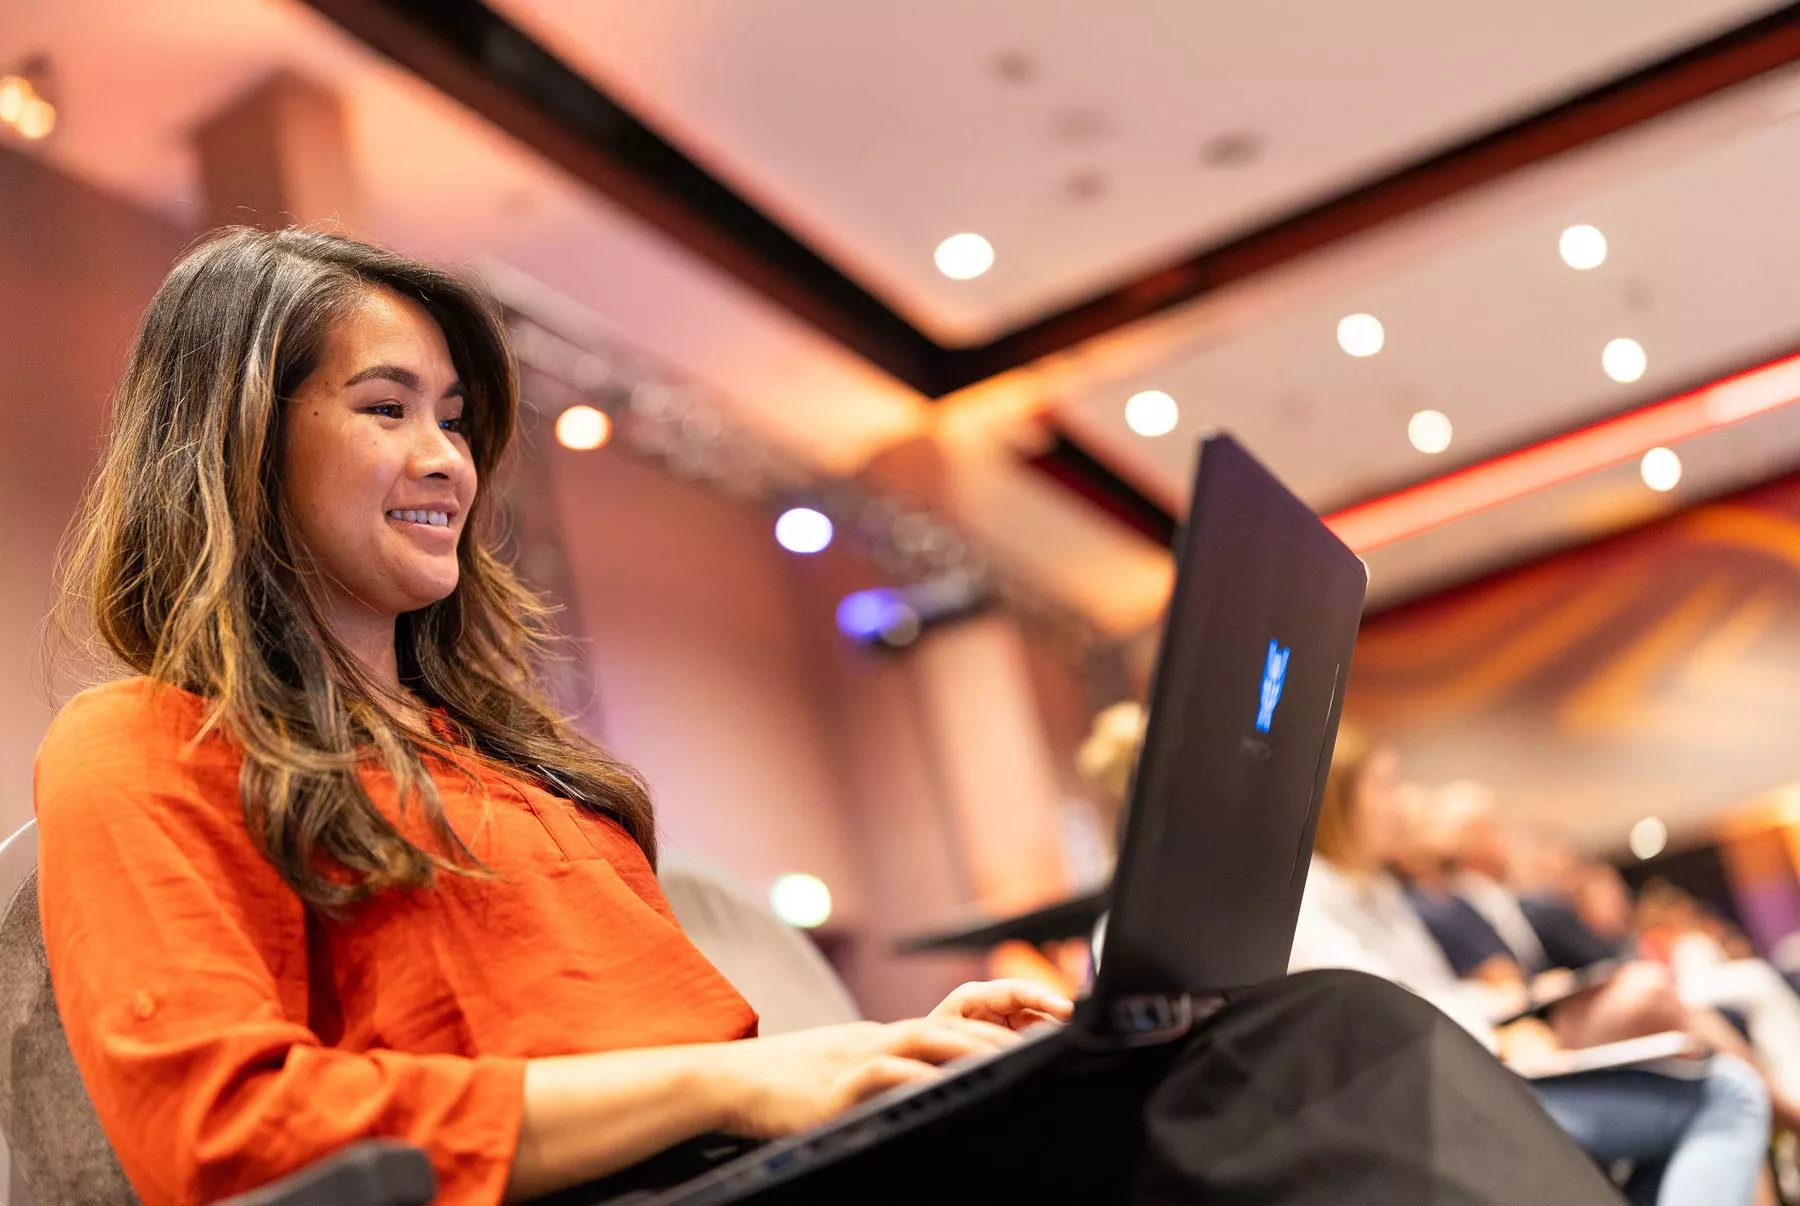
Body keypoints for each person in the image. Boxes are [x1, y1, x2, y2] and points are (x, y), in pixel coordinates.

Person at [35, 227, 1628, 1206]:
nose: (449, 458)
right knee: (1318, 1047)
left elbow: (703, 1064)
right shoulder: (146, 743)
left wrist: (882, 1056)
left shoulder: (522, 773)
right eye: (384, 408)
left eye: (457, 416)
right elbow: (225, 1139)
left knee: (1250, 1046)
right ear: (236, 441)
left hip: (761, 1165)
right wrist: (745, 1085)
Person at [1289, 727, 1772, 1206]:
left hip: (1473, 1061)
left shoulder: (1377, 892)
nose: (1399, 806)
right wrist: (1501, 1028)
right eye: (1385, 786)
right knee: (1729, 1092)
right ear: (1340, 797)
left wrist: (1505, 1011)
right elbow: (1383, 1011)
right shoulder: (1312, 896)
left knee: (1684, 1024)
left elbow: (1433, 994)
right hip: (1438, 1098)